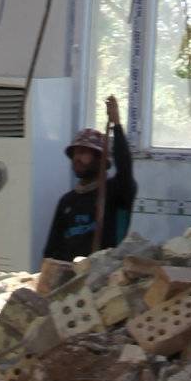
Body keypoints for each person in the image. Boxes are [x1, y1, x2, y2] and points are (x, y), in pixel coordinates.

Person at [44, 95, 134, 261]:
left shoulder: (115, 193)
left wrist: (117, 125)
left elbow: (125, 169)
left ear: (100, 159)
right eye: (75, 154)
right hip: (70, 279)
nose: (77, 158)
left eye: (84, 153)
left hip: (103, 278)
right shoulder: (67, 202)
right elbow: (51, 250)